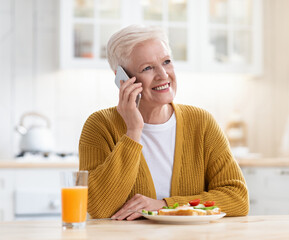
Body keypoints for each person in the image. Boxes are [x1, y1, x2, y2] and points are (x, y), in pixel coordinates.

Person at [79, 25, 249, 220]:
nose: (163, 74)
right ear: (122, 78)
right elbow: (99, 208)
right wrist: (133, 131)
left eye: (166, 62)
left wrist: (164, 206)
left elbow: (237, 199)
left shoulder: (202, 122)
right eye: (148, 68)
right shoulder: (100, 126)